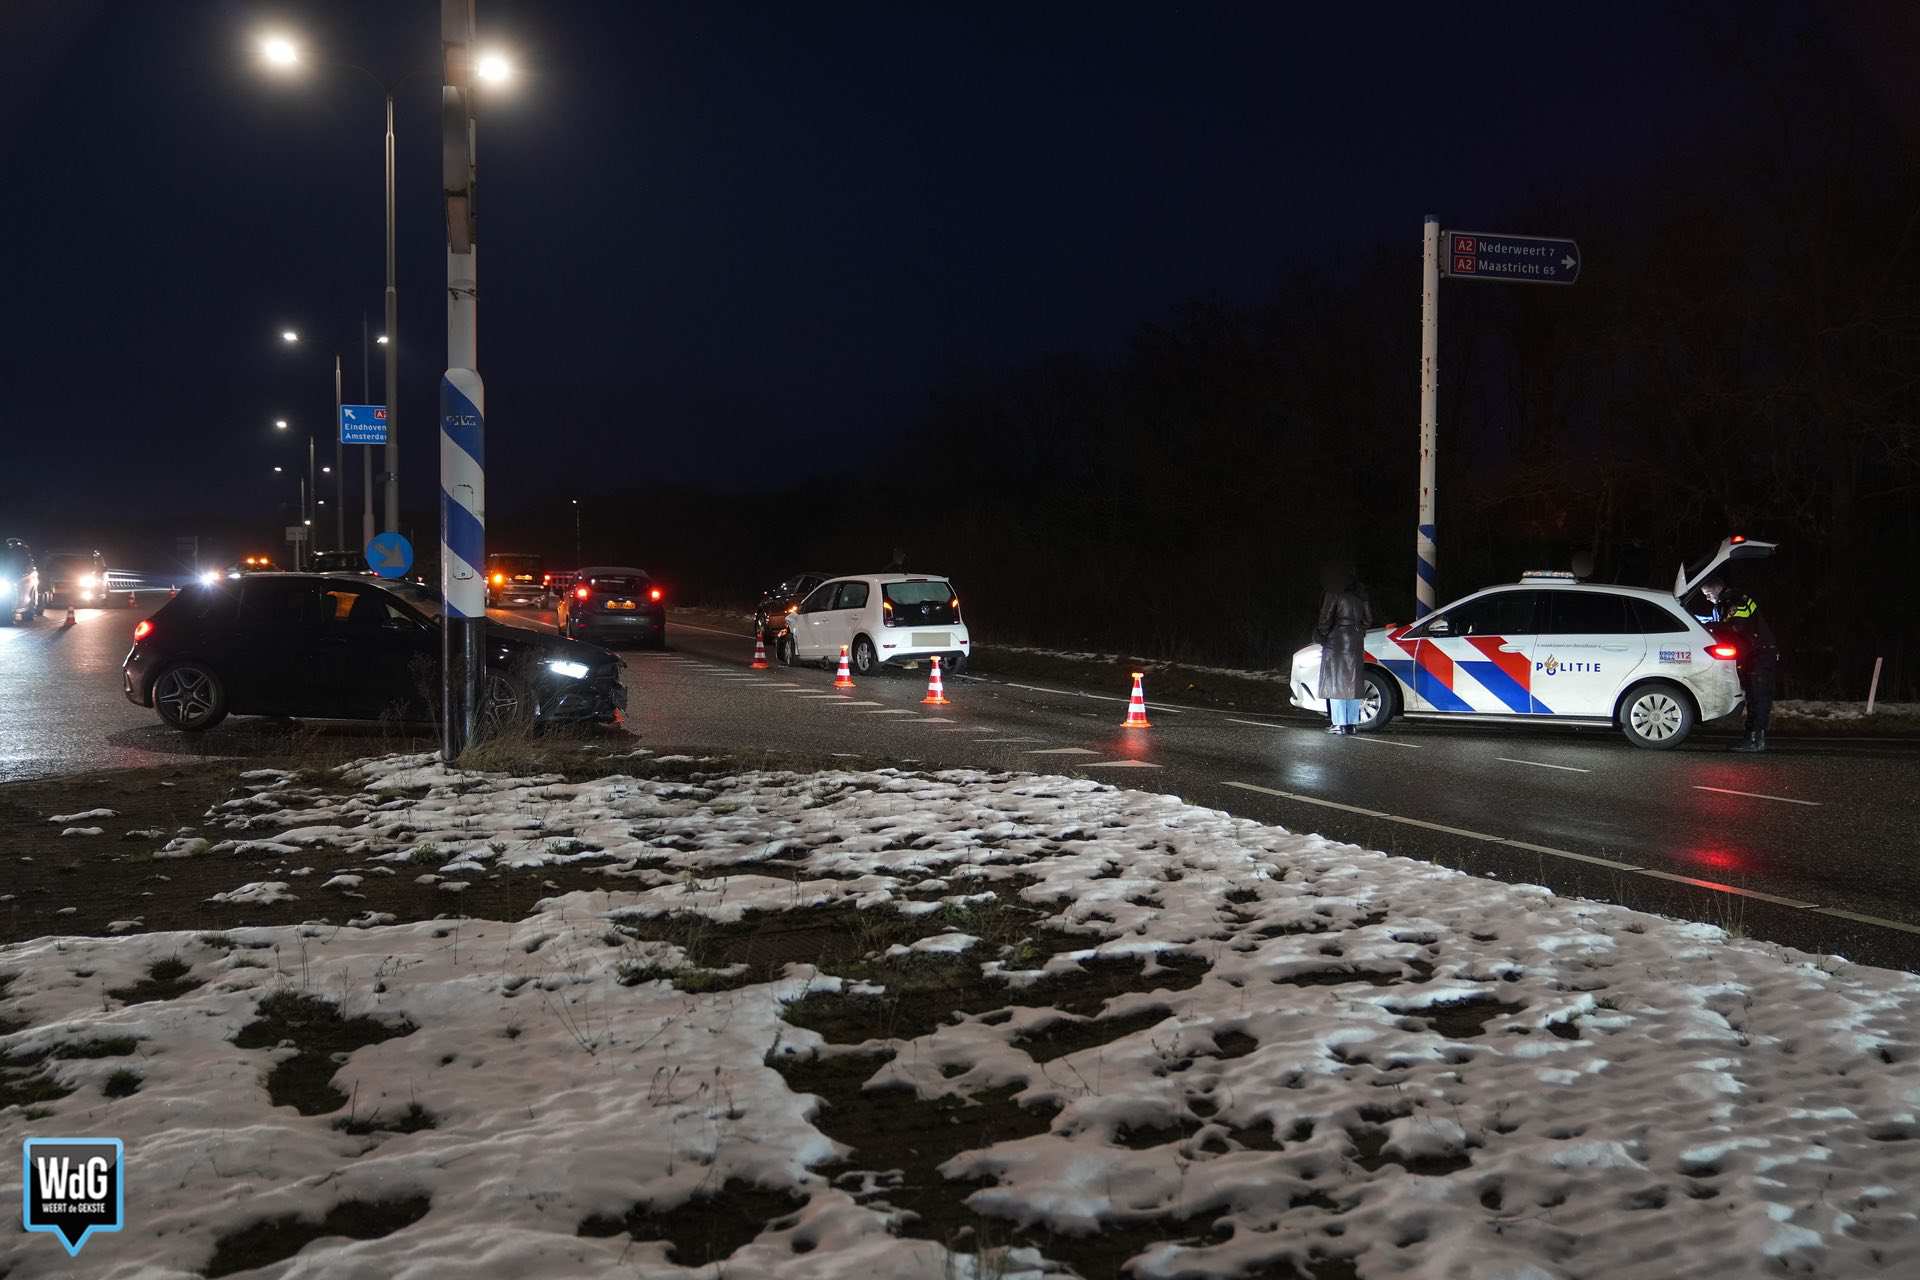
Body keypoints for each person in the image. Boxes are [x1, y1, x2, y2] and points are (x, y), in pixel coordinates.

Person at [1700, 576, 1777, 752]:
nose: (1707, 598)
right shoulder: (1724, 602)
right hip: (1754, 653)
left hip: (1761, 653)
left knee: (1758, 698)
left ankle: (1756, 741)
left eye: (1708, 593)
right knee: (1754, 697)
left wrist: (1713, 626)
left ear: (1717, 589)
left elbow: (1736, 625)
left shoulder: (1735, 600)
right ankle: (1752, 739)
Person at [1314, 562, 1373, 734]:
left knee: (1336, 682)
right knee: (1352, 683)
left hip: (1337, 640)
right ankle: (1351, 724)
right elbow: (1369, 620)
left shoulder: (1334, 592)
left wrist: (1324, 634)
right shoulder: (1361, 594)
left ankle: (1339, 723)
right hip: (1355, 640)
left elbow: (1324, 619)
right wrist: (1358, 629)